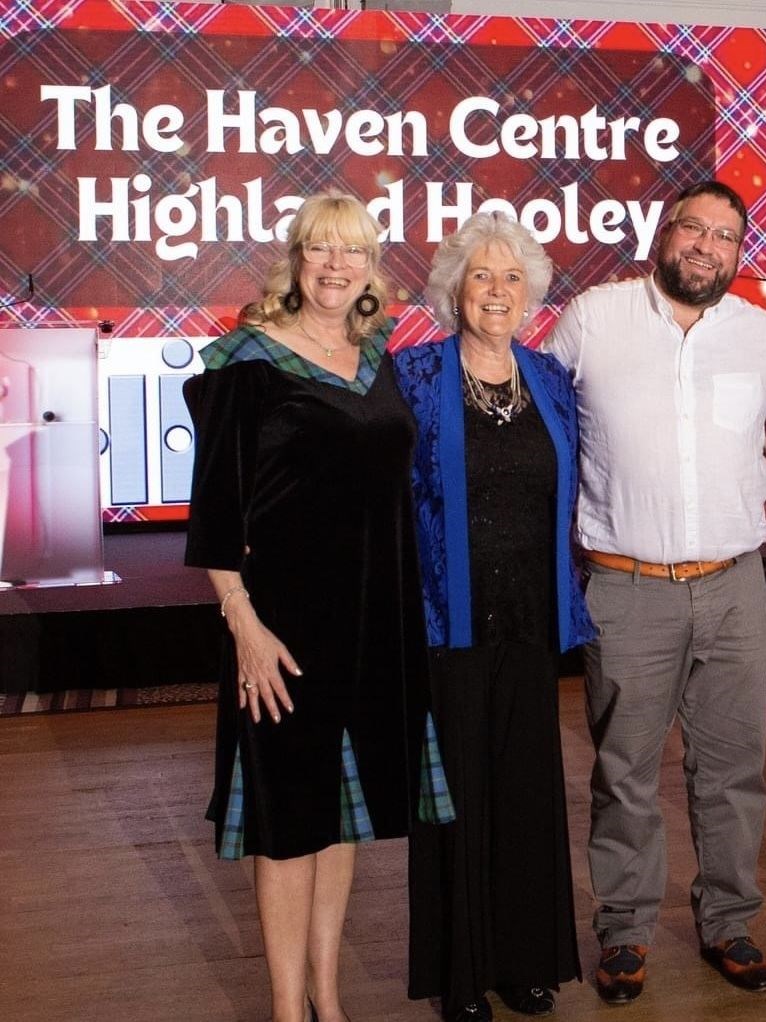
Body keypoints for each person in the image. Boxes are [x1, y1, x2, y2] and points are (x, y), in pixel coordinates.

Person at [543, 180, 766, 1005]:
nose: (705, 245)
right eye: (692, 228)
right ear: (663, 236)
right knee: (624, 773)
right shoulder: (594, 318)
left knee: (733, 769)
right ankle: (623, 931)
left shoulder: (758, 335)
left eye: (724, 236)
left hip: (734, 589)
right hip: (626, 589)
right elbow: (542, 421)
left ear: (738, 252)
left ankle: (727, 920)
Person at [185, 191, 449, 1022]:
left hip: (374, 617)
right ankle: (284, 1010)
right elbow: (217, 516)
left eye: (354, 253)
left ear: (372, 269)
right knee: (287, 818)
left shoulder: (380, 359)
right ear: (296, 260)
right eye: (321, 251)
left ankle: (328, 999)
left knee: (344, 820)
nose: (337, 267)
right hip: (284, 627)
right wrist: (245, 627)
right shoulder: (247, 363)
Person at [394, 213, 595, 1022]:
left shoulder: (549, 379)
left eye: (512, 278)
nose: (498, 291)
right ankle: (460, 973)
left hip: (530, 618)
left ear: (533, 294)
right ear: (453, 290)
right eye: (481, 276)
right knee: (454, 798)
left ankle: (524, 960)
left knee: (525, 788)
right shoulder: (411, 376)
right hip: (447, 622)